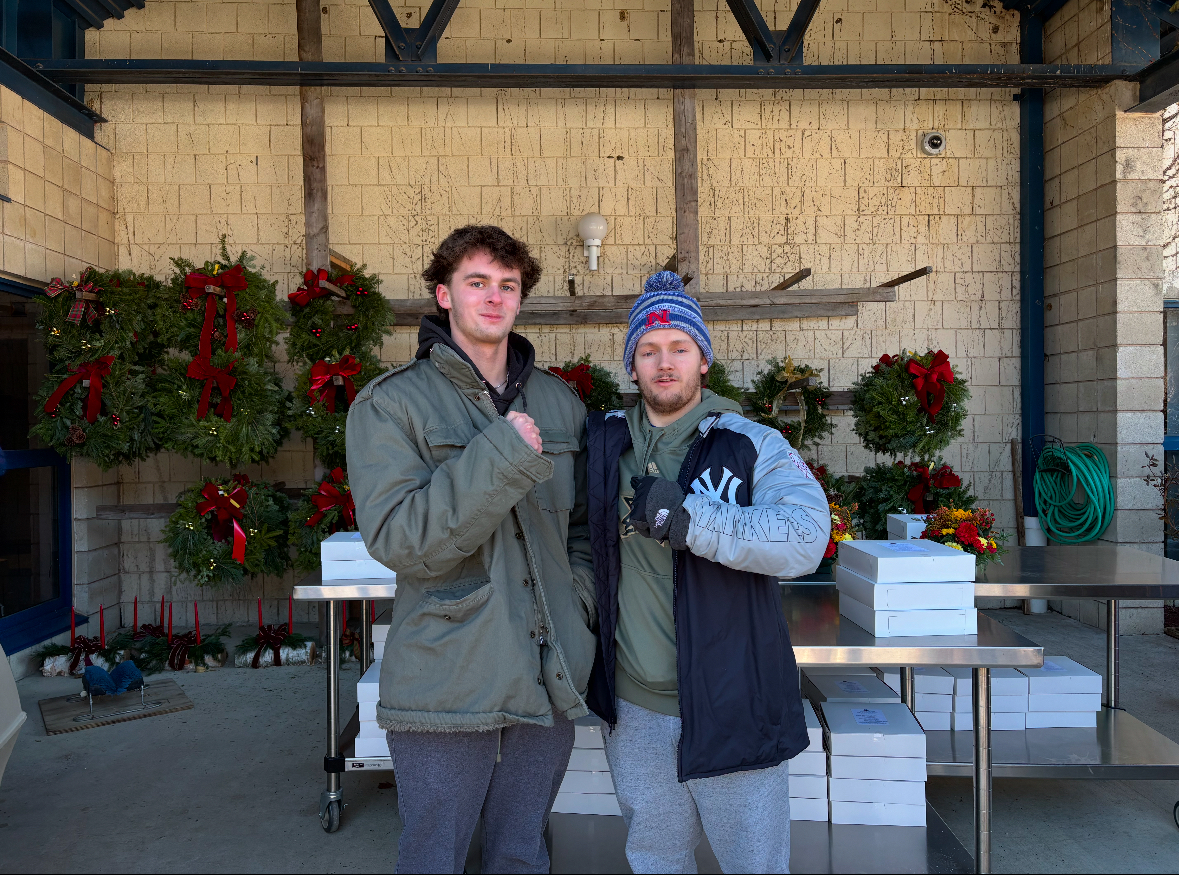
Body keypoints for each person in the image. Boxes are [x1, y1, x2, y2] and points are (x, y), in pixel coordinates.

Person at [346, 225, 598, 874]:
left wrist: (578, 601)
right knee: (434, 855)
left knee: (521, 851)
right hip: (448, 674)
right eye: (476, 282)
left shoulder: (560, 404)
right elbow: (403, 540)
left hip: (548, 664)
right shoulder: (390, 405)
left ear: (520, 299)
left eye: (507, 285)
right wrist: (503, 453)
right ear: (443, 295)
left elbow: (585, 527)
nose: (493, 297)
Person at [584, 271, 830, 874]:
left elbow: (806, 538)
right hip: (636, 708)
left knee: (754, 865)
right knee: (656, 858)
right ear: (632, 365)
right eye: (649, 350)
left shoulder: (752, 443)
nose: (664, 363)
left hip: (734, 703)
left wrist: (692, 519)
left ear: (703, 358)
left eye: (679, 348)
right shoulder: (603, 446)